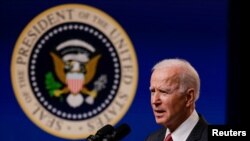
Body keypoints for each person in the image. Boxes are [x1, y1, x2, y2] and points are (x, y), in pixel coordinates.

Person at [145, 58, 208, 141]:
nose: (155, 101)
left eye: (164, 92)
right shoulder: (152, 139)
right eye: (153, 91)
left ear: (189, 97)